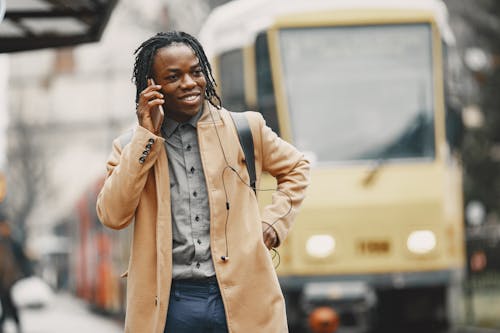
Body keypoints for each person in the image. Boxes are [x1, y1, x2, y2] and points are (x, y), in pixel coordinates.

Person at [96, 31, 310, 333]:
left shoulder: (246, 129)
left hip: (244, 296)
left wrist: (273, 223)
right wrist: (146, 137)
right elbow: (112, 215)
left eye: (196, 72)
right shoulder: (131, 146)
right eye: (173, 76)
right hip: (169, 305)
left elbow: (297, 167)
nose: (189, 83)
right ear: (152, 86)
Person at [0, 213, 25, 333]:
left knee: (10, 305)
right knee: (6, 305)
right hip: (2, 280)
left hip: (11, 280)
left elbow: (22, 259)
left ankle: (16, 326)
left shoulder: (13, 242)